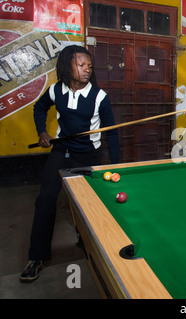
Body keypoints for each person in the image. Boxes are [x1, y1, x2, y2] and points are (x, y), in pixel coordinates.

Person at [20, 45, 120, 282]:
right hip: (61, 151)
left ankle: (87, 243)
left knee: (89, 205)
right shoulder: (56, 90)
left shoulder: (99, 97)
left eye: (90, 66)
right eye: (81, 65)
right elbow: (39, 107)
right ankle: (37, 256)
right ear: (68, 66)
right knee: (45, 199)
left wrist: (114, 165)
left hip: (89, 156)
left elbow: (113, 134)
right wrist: (42, 133)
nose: (87, 70)